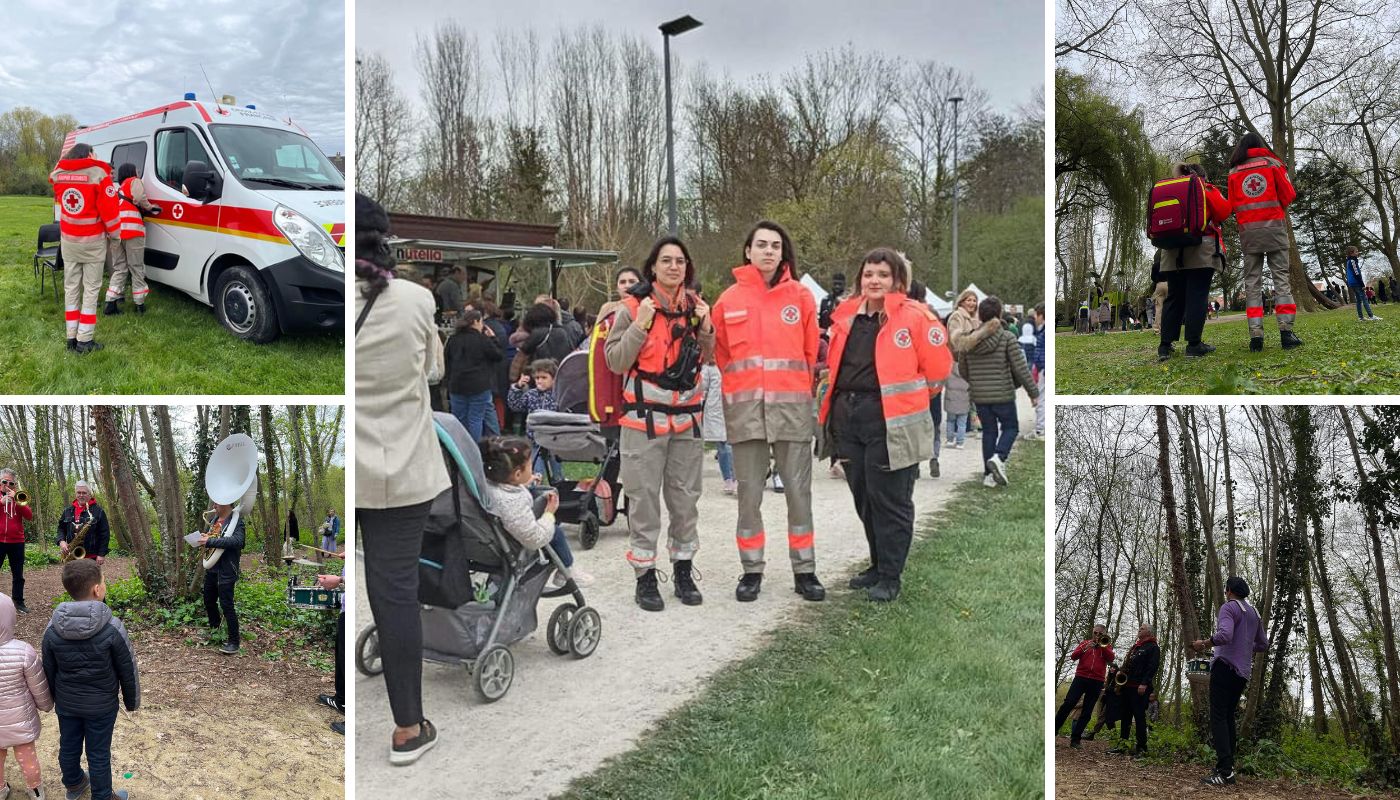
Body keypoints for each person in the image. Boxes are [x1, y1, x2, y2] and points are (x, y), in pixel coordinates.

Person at [355, 192, 449, 765]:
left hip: (351, 466)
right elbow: (433, 369)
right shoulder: (417, 299)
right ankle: (407, 728)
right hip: (400, 471)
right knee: (396, 596)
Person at [819, 249, 951, 602]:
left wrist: (911, 400)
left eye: (882, 274)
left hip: (891, 421)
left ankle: (891, 576)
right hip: (849, 418)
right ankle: (877, 564)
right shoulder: (846, 316)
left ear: (898, 281)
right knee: (863, 497)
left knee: (890, 499)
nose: (874, 280)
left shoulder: (915, 317)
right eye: (868, 274)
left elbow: (939, 370)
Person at [713, 221, 825, 603]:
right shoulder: (727, 301)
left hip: (791, 412)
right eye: (761, 244)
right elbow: (723, 356)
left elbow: (810, 354)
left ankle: (805, 569)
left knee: (799, 494)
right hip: (746, 414)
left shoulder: (802, 298)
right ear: (747, 251)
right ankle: (751, 570)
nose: (768, 251)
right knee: (749, 497)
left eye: (775, 245)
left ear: (783, 252)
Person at [605, 236, 714, 610]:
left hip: (686, 418)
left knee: (685, 499)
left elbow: (710, 356)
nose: (673, 267)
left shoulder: (697, 307)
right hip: (643, 419)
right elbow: (616, 362)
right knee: (643, 500)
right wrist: (640, 325)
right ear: (653, 267)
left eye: (680, 261)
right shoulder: (632, 308)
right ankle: (645, 575)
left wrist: (706, 330)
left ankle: (684, 568)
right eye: (666, 260)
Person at [42, 560, 139, 800]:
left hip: (67, 705)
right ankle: (103, 796)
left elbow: (48, 669)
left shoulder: (52, 629)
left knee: (69, 746)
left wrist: (55, 699)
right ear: (97, 589)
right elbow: (127, 668)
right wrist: (131, 701)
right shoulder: (113, 627)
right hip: (102, 707)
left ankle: (74, 785)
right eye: (103, 581)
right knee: (98, 753)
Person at [480, 437, 594, 590]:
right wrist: (549, 514)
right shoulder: (513, 501)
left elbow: (508, 490)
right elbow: (534, 539)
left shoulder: (489, 485)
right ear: (517, 474)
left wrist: (524, 483)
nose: (532, 468)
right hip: (513, 544)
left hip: (490, 538)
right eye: (529, 466)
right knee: (555, 531)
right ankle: (566, 570)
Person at [1192, 576, 1270, 786]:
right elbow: (1263, 644)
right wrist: (1244, 646)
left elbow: (1225, 635)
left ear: (1228, 590)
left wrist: (1204, 643)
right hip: (1242, 673)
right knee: (1227, 718)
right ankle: (1227, 768)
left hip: (1224, 667)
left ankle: (1225, 771)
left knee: (1218, 718)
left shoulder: (1229, 608)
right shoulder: (1253, 612)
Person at [1228, 132, 1301, 351]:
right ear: (1260, 145)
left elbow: (1232, 204)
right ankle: (1286, 334)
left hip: (1248, 234)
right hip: (1275, 230)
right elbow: (1289, 195)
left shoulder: (1233, 172)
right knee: (1281, 281)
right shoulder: (1273, 164)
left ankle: (1256, 338)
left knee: (1252, 284)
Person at [961, 296, 1039, 487]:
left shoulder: (968, 340)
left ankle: (989, 476)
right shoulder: (1007, 337)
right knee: (1011, 427)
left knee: (988, 432)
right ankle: (999, 457)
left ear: (980, 315)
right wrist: (1033, 392)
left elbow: (963, 369)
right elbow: (1021, 368)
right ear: (999, 314)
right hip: (1003, 393)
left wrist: (976, 382)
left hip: (979, 396)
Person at [50, 144, 120, 354]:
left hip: (69, 242)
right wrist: (116, 235)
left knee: (71, 288)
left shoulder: (60, 175)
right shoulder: (99, 174)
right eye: (94, 153)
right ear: (88, 154)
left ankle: (71, 337)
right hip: (92, 243)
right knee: (90, 289)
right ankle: (85, 340)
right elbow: (109, 211)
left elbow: (53, 180)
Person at [1157, 163, 1230, 362]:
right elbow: (1224, 211)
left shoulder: (1168, 190)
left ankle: (1165, 346)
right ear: (1202, 175)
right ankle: (1194, 344)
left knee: (1174, 297)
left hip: (1172, 251)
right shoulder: (1205, 188)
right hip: (1201, 249)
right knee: (1197, 295)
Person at [0, 592, 51, 800]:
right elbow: (38, 685)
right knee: (27, 758)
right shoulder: (23, 651)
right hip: (21, 720)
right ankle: (36, 790)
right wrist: (46, 705)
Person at [103, 162, 161, 316]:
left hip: (116, 233)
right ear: (131, 171)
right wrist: (150, 207)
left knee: (120, 268)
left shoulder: (119, 189)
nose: (138, 171)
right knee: (136, 267)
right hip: (132, 231)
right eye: (136, 169)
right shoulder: (134, 181)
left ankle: (110, 302)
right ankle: (139, 304)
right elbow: (139, 197)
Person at [444, 308, 504, 442]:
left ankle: (460, 449)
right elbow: (498, 355)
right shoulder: (482, 339)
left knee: (459, 419)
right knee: (476, 418)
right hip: (479, 384)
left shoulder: (453, 339)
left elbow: (447, 360)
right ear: (476, 322)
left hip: (457, 384)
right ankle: (474, 450)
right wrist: (493, 338)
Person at [1054, 623, 1115, 748]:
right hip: (1080, 678)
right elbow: (1073, 656)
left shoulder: (1107, 646)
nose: (1097, 635)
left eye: (1100, 634)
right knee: (1068, 704)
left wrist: (1102, 646)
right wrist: (1085, 648)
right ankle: (1053, 731)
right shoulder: (1084, 643)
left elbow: (1111, 658)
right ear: (1092, 633)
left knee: (1087, 710)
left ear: (1104, 634)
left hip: (1096, 681)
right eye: (1095, 633)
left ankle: (1075, 739)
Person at [197, 497, 245, 655]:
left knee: (227, 605)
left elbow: (238, 541)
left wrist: (210, 542)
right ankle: (215, 630)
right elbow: (215, 538)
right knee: (208, 600)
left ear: (225, 504)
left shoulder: (237, 520)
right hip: (212, 568)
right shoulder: (216, 519)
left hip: (226, 570)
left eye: (216, 503)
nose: (213, 506)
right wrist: (207, 537)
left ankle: (234, 641)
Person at [1107, 623, 1161, 758]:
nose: (1139, 630)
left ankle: (1142, 747)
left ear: (1149, 632)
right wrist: (1118, 671)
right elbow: (1129, 665)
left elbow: (1152, 667)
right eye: (1139, 628)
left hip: (1140, 688)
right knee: (1125, 716)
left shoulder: (1153, 647)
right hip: (1127, 687)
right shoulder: (1135, 647)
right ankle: (1122, 745)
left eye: (1142, 629)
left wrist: (1144, 683)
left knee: (1139, 717)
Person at [315, 563, 346, 735]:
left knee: (346, 660)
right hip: (345, 608)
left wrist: (340, 580)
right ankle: (341, 700)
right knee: (341, 658)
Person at [698, 358, 736, 495]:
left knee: (733, 444)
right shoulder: (710, 367)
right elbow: (702, 389)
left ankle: (737, 478)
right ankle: (728, 479)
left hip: (734, 407)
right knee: (723, 446)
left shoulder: (734, 363)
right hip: (716, 410)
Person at [0, 470, 32, 614]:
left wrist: (17, 501)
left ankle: (18, 602)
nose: (7, 485)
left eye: (11, 483)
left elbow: (29, 516)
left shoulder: (19, 497)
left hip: (17, 542)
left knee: (18, 574)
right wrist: (1, 503)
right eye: (4, 482)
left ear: (15, 484)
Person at [56, 482, 109, 565]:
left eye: (84, 493)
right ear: (75, 494)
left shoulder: (98, 511)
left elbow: (105, 534)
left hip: (91, 556)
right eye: (79, 492)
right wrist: (61, 541)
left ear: (89, 494)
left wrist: (101, 554)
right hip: (71, 555)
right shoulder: (67, 511)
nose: (81, 495)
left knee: (90, 578)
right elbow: (61, 528)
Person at [948, 289, 997, 356]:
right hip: (959, 359)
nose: (972, 303)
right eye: (969, 300)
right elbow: (957, 341)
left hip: (973, 358)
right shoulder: (957, 316)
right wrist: (981, 334)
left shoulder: (977, 318)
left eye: (974, 301)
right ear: (962, 302)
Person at [1345, 247, 1380, 321]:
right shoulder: (1352, 261)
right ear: (1352, 253)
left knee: (1358, 300)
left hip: (1352, 283)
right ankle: (1371, 316)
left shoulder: (1348, 261)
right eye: (1356, 251)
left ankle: (1361, 318)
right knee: (1364, 299)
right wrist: (1362, 285)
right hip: (1356, 282)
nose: (1358, 253)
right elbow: (1356, 273)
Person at [944, 365, 971, 449]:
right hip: (964, 401)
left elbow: (945, 383)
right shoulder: (967, 372)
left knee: (950, 421)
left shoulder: (949, 369)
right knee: (962, 424)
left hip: (951, 401)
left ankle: (950, 440)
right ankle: (960, 442)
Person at [1032, 303, 1046, 439]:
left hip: (1044, 369)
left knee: (1041, 399)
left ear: (1041, 315)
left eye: (1036, 315)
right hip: (1042, 368)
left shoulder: (1044, 331)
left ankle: (1040, 429)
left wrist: (1042, 366)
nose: (1035, 318)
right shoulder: (1042, 330)